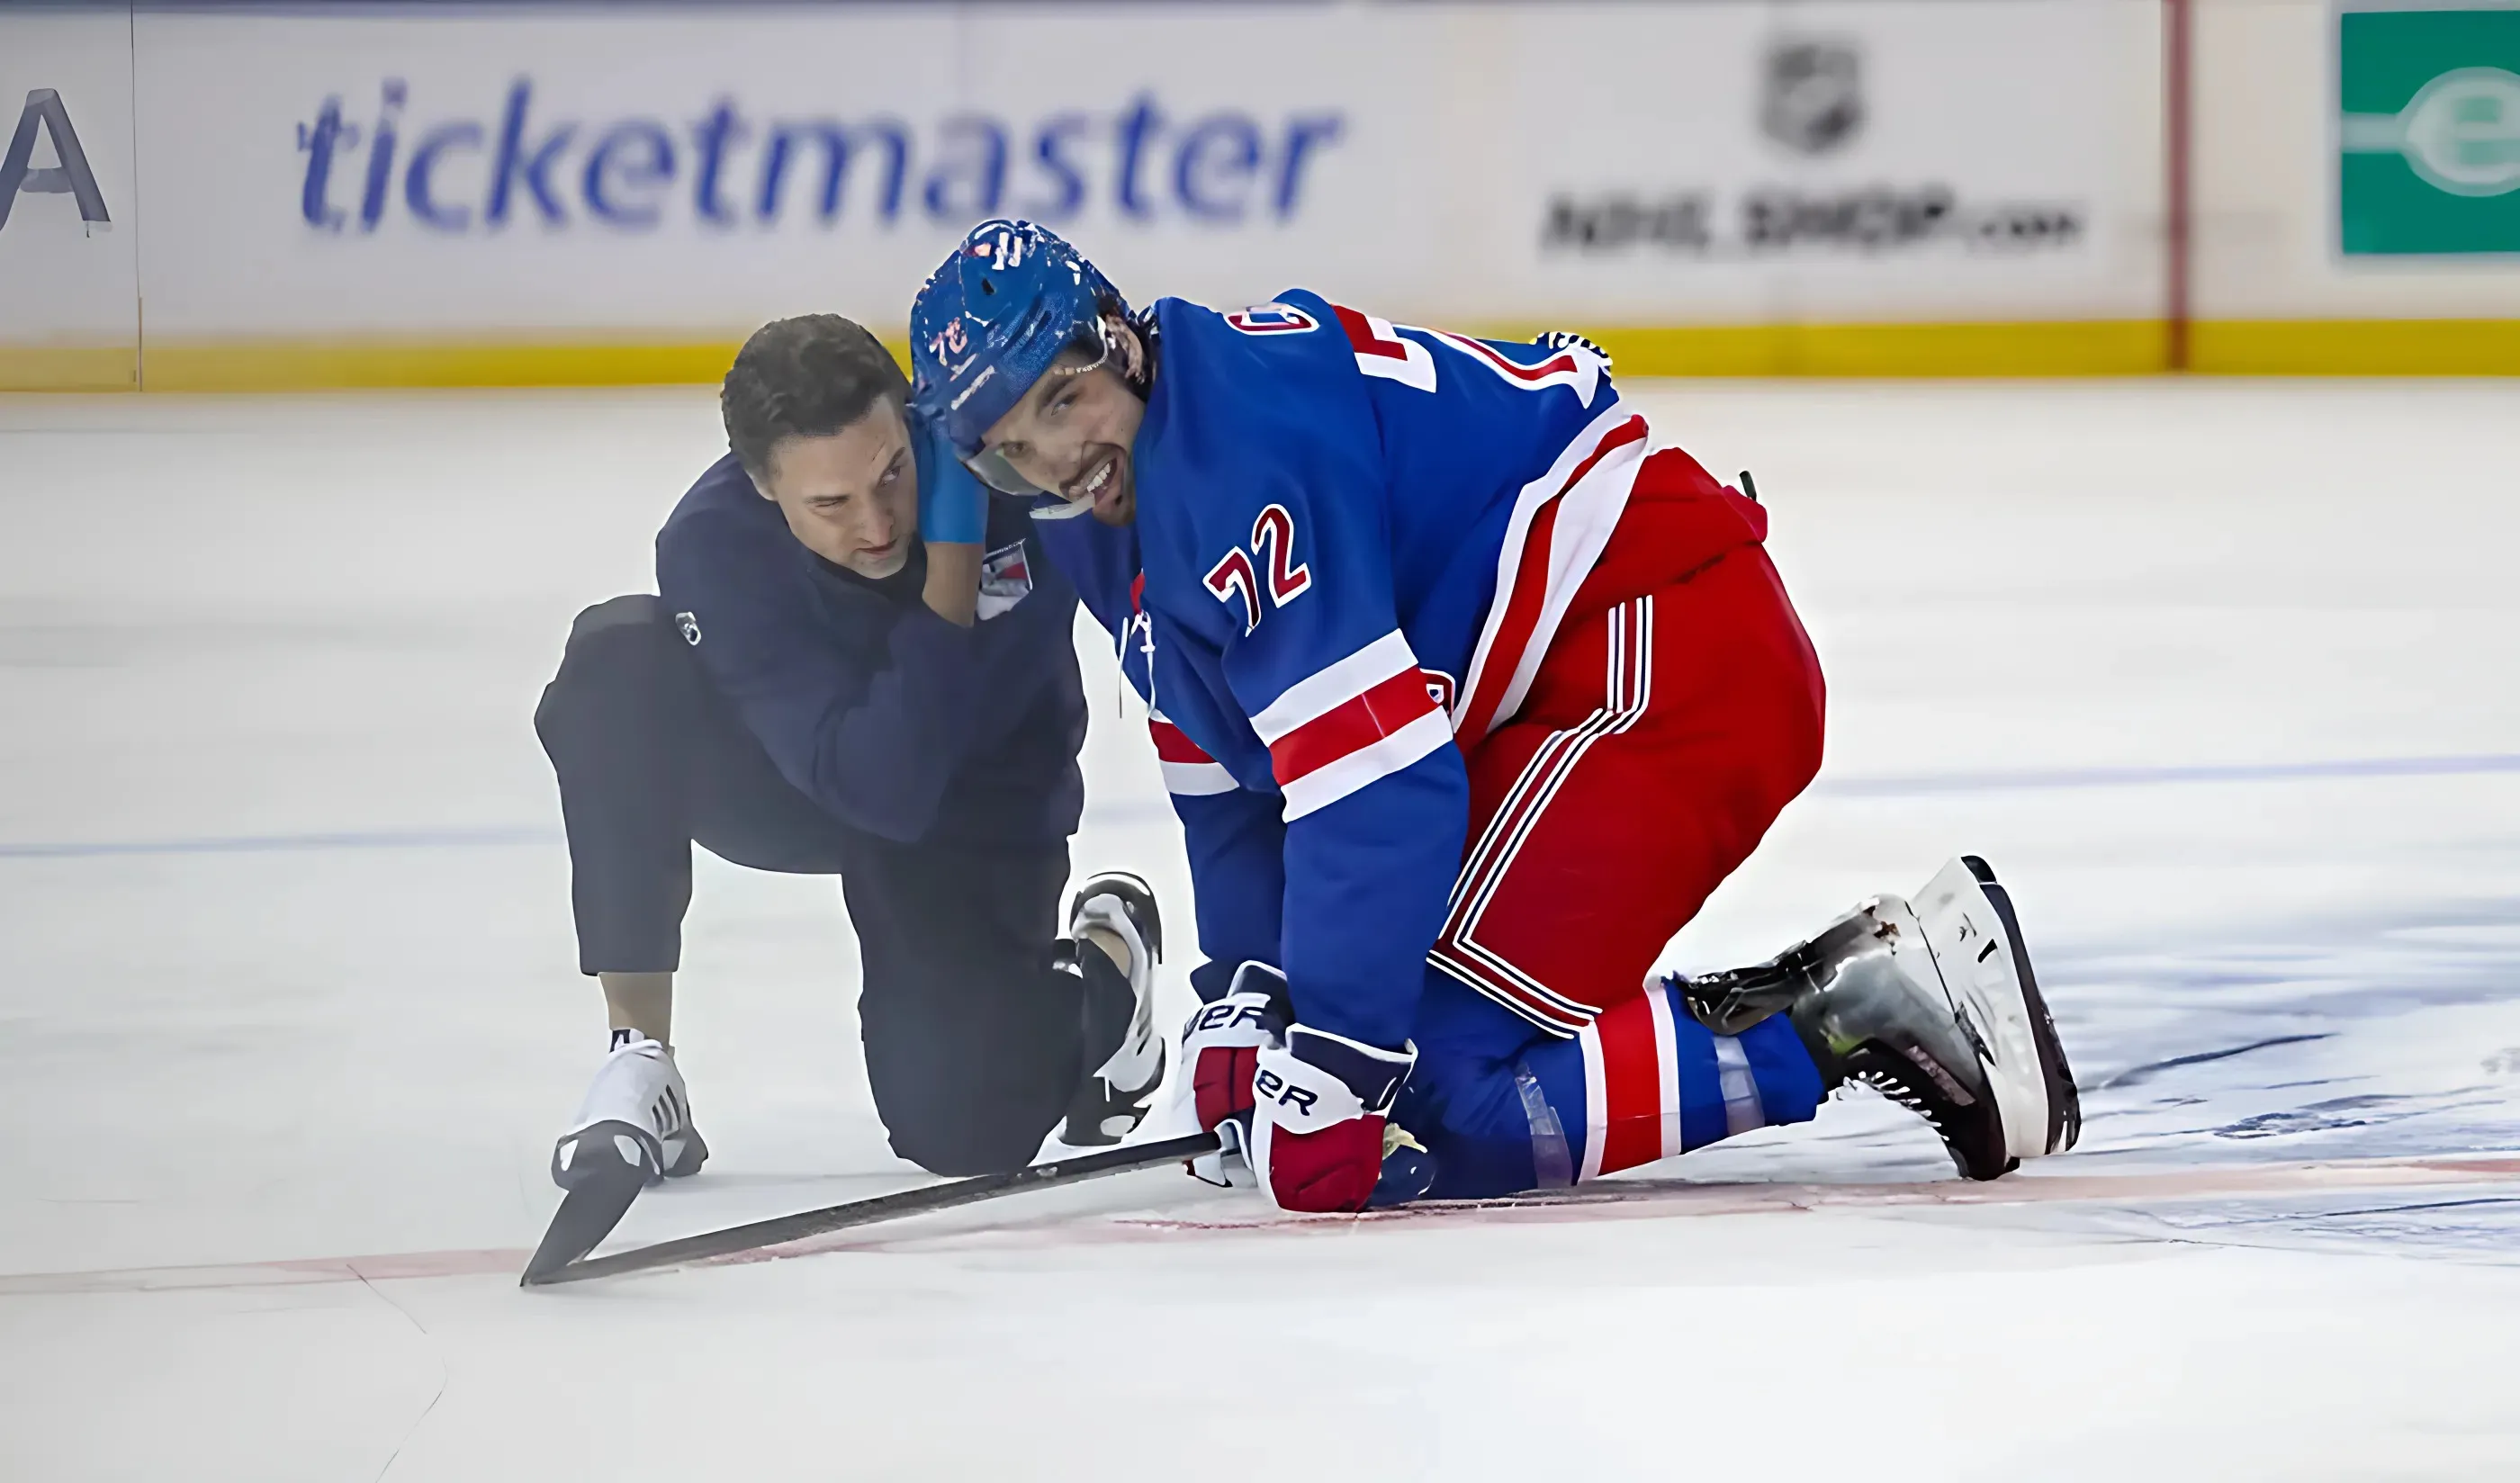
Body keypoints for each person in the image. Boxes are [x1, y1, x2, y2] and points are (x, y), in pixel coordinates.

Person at [905, 221, 2082, 1213]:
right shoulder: (1118, 485)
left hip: (1665, 659)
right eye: (1012, 449)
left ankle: (1854, 1008)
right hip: (1569, 676)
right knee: (1382, 1069)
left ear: (1119, 341)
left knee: (1430, 1101)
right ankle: (1836, 1002)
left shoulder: (1235, 465)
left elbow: (1371, 787)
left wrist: (1340, 1057)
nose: (1059, 460)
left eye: (1066, 401)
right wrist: (1251, 984)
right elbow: (1226, 764)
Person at [527, 313, 1166, 1265]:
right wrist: (949, 580)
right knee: (616, 662)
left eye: (893, 476)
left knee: (963, 1132)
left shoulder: (1005, 485)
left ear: (912, 424)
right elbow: (863, 781)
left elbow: (911, 789)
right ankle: (640, 1062)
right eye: (829, 504)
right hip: (819, 770)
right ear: (760, 488)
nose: (875, 526)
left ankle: (1110, 972)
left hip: (976, 789)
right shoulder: (714, 544)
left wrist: (952, 554)